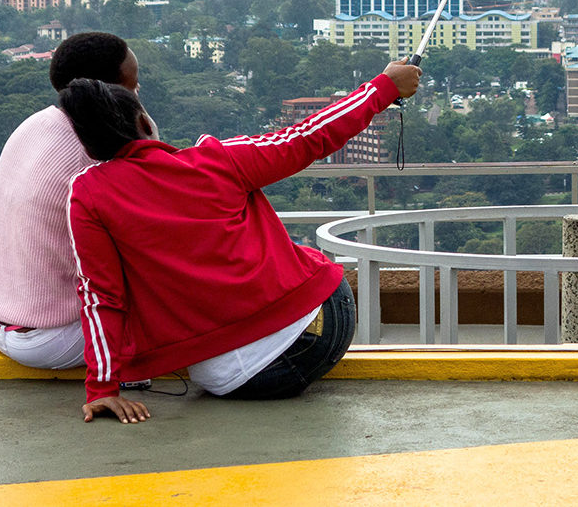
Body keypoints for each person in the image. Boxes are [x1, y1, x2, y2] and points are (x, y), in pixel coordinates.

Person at [60, 60, 421, 423]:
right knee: (303, 256)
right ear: (144, 123)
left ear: (91, 148)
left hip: (233, 381)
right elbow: (308, 137)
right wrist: (383, 86)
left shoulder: (89, 194)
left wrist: (103, 389)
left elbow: (100, 296)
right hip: (323, 330)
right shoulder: (215, 160)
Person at [0, 32, 139, 370]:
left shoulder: (32, 125)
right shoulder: (100, 152)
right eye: (132, 87)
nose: (138, 94)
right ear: (109, 94)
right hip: (55, 336)